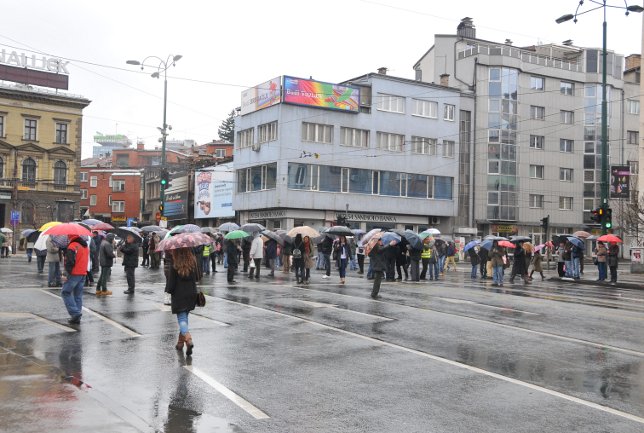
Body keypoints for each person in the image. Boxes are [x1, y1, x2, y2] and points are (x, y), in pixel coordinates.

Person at [166, 248, 198, 356]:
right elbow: (197, 277)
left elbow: (171, 283)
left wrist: (168, 290)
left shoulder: (175, 262)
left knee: (182, 319)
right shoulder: (192, 260)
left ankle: (188, 339)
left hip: (179, 294)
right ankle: (180, 344)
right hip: (191, 293)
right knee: (185, 319)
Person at [61, 235, 89, 324]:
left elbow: (70, 262)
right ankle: (77, 315)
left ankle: (75, 313)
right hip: (83, 272)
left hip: (74, 273)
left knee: (65, 292)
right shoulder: (84, 246)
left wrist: (65, 274)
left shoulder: (72, 246)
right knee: (78, 295)